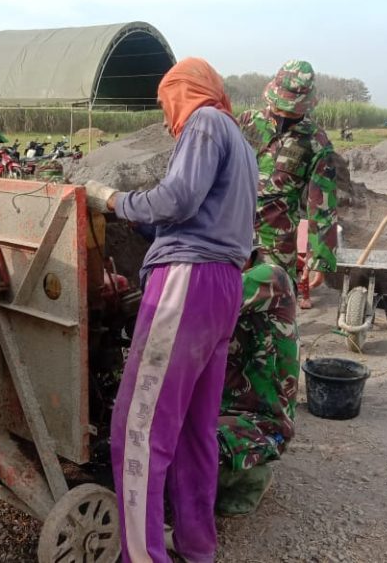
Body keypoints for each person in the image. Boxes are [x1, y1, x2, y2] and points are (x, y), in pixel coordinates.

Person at [84, 57, 257, 563]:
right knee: (193, 428)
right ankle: (197, 545)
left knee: (137, 428)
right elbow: (198, 216)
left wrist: (114, 201)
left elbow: (176, 200)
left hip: (186, 283)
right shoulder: (242, 145)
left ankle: (142, 556)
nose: (166, 120)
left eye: (166, 104)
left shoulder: (203, 122)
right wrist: (145, 223)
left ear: (184, 91)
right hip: (224, 285)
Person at [238, 59, 339, 307]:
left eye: (292, 107)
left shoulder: (316, 143)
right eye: (281, 105)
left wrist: (320, 259)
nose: (284, 112)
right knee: (227, 300)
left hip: (277, 240)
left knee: (276, 305)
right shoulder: (247, 123)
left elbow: (322, 206)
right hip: (233, 229)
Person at [216, 260, 299, 516]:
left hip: (260, 421)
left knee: (190, 446)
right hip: (217, 409)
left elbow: (197, 305)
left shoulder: (270, 278)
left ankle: (250, 477)